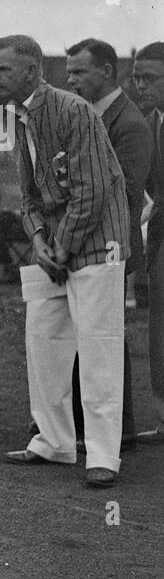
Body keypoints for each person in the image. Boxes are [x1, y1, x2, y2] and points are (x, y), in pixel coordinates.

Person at [0, 35, 131, 487]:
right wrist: (38, 239)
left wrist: (62, 248)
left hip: (96, 244)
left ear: (32, 71)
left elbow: (91, 190)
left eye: (3, 69)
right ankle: (53, 442)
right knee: (44, 345)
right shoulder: (18, 117)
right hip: (53, 248)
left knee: (98, 351)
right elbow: (27, 195)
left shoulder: (74, 110)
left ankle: (104, 456)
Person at [66, 38, 152, 449]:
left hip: (111, 248)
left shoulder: (129, 124)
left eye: (79, 72)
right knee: (87, 338)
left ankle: (119, 429)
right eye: (69, 72)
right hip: (87, 243)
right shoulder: (88, 116)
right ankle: (92, 427)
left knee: (104, 341)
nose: (71, 80)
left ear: (105, 71)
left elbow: (125, 193)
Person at [132, 41, 164, 443]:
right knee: (158, 334)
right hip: (158, 239)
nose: (141, 85)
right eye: (137, 77)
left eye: (150, 78)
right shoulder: (149, 121)